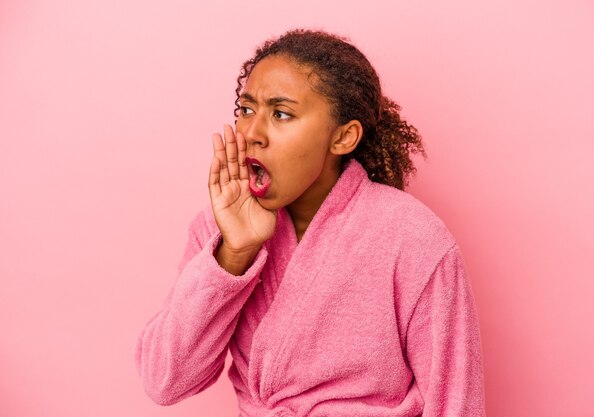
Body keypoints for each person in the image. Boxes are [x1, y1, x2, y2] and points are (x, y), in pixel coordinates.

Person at [134, 29, 486, 417]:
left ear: (343, 137)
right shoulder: (218, 232)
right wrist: (234, 254)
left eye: (281, 114)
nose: (251, 132)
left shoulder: (413, 238)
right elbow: (165, 382)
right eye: (246, 110)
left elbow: (456, 402)